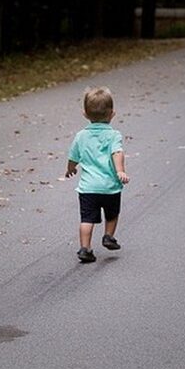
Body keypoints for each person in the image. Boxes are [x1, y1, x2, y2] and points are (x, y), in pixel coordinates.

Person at [64, 86, 130, 262]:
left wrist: (70, 168)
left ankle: (85, 248)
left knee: (87, 219)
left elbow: (73, 156)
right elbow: (117, 152)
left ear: (85, 114)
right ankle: (108, 236)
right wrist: (120, 170)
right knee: (112, 214)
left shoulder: (81, 136)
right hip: (110, 187)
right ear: (112, 114)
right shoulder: (114, 135)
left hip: (88, 188)